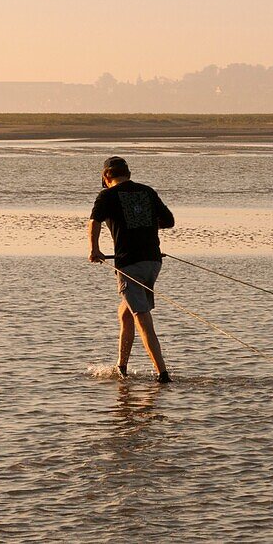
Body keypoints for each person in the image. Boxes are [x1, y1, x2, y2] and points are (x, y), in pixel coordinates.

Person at [88, 156, 175, 382]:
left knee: (142, 318)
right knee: (125, 313)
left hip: (130, 266)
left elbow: (94, 221)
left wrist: (94, 249)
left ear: (107, 177)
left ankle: (162, 374)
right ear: (128, 173)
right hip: (153, 263)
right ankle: (121, 368)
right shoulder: (147, 191)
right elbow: (168, 221)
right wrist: (145, 225)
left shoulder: (107, 195)